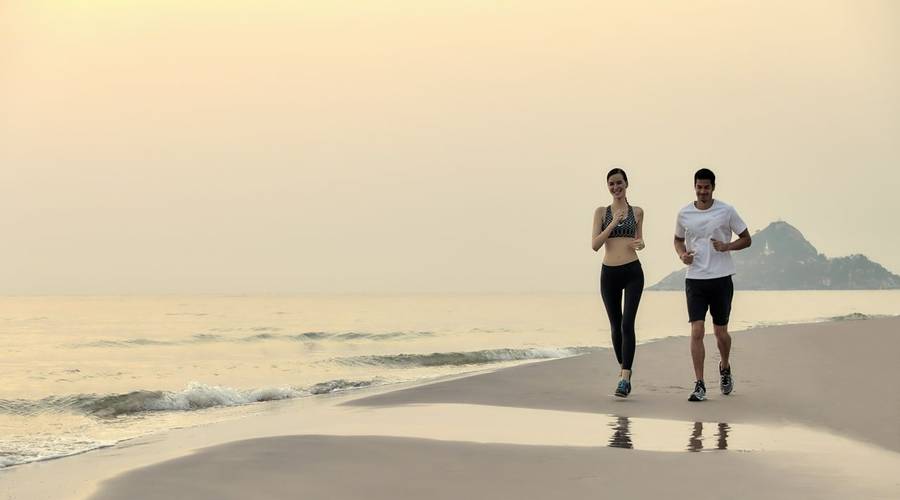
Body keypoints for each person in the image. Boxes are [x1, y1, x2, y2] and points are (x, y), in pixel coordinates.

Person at [673, 168, 751, 401]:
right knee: (697, 330)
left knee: (721, 333)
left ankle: (725, 367)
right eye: (699, 187)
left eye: (707, 187)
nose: (703, 191)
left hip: (721, 277)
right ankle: (700, 384)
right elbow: (677, 239)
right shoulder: (684, 213)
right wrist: (682, 255)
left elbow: (747, 239)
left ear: (713, 188)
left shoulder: (726, 211)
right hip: (695, 278)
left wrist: (727, 247)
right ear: (694, 187)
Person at [592, 168, 645, 397]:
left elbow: (639, 239)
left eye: (619, 183)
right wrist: (612, 223)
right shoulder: (602, 212)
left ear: (626, 184)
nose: (616, 187)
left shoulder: (638, 211)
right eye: (611, 184)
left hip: (633, 270)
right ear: (608, 187)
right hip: (609, 273)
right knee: (616, 326)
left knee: (627, 325)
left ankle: (624, 377)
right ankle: (625, 370)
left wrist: (641, 244)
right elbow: (595, 244)